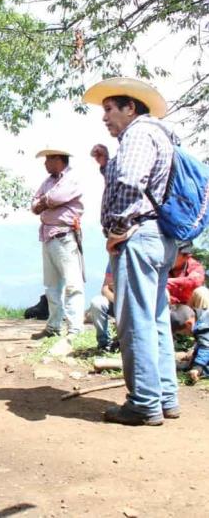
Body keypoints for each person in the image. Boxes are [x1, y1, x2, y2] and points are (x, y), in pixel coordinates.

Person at [84, 77, 179, 426]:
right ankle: (165, 397)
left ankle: (142, 404)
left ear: (131, 108)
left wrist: (117, 230)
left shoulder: (138, 133)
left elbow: (130, 183)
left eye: (110, 109)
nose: (105, 117)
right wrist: (107, 165)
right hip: (161, 237)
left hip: (137, 237)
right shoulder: (161, 135)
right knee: (155, 319)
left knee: (135, 320)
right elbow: (142, 181)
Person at [30, 149, 85, 340]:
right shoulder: (48, 181)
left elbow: (54, 199)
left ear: (58, 159)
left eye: (48, 159)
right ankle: (53, 326)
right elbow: (34, 205)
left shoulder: (71, 178)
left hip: (65, 235)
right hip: (48, 235)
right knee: (51, 285)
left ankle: (75, 329)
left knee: (72, 284)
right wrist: (46, 202)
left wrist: (45, 201)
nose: (45, 163)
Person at [170, 305, 209, 384]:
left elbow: (205, 347)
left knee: (202, 367)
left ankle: (198, 370)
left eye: (184, 333)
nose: (186, 335)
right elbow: (202, 343)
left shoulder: (203, 326)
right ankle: (191, 366)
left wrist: (197, 367)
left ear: (189, 324)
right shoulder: (202, 317)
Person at [167, 241, 206, 306]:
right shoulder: (162, 265)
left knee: (202, 292)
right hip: (167, 307)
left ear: (186, 256)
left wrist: (167, 282)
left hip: (189, 308)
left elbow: (195, 281)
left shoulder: (195, 266)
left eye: (173, 253)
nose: (168, 256)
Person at [89, 263, 117, 352]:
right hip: (116, 302)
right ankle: (104, 343)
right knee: (97, 302)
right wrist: (118, 302)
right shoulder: (114, 260)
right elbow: (105, 289)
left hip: (135, 306)